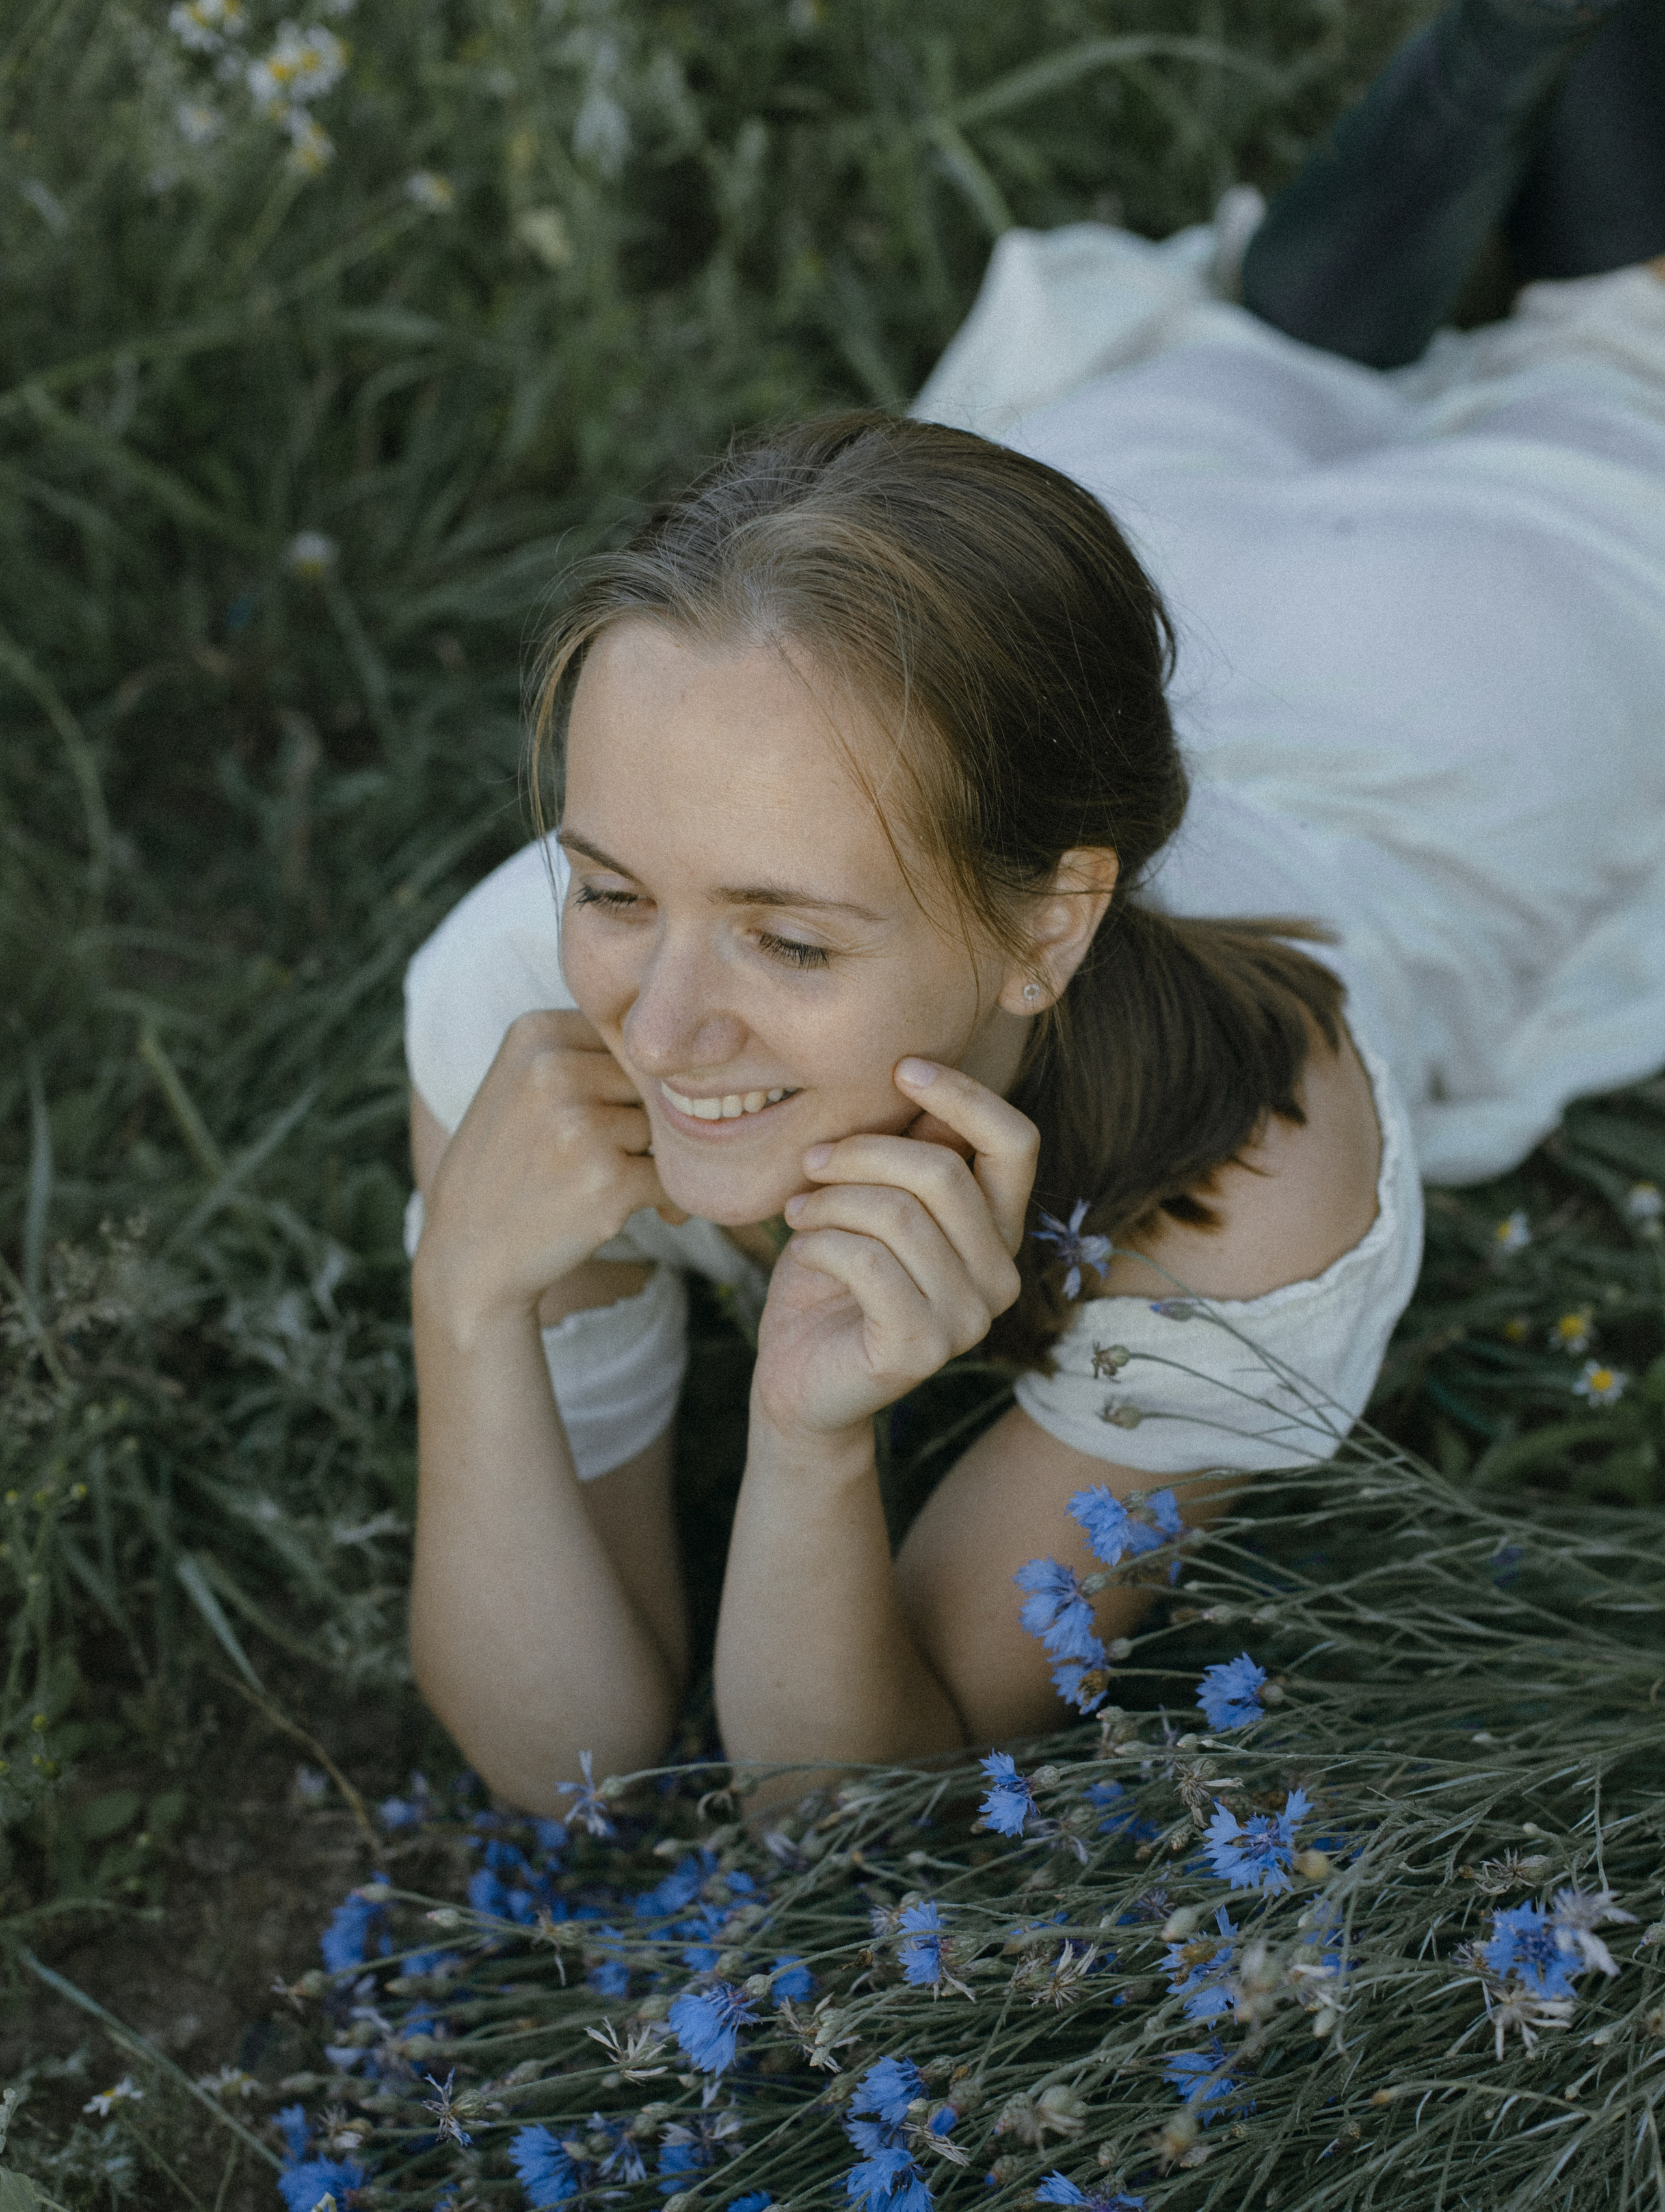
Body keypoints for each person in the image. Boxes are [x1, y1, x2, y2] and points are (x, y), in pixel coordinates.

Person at [401, 0, 1665, 1813]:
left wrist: (814, 1452)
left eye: (790, 937)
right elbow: (574, 1769)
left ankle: (1446, 183)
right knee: (1190, 427)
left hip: (1453, 701)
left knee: (1620, 380)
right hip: (1142, 520)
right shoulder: (516, 1003)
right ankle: (1346, 269)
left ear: (1054, 924)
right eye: (611, 885)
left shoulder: (1254, 1150)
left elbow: (838, 1790)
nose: (657, 1027)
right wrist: (463, 1294)